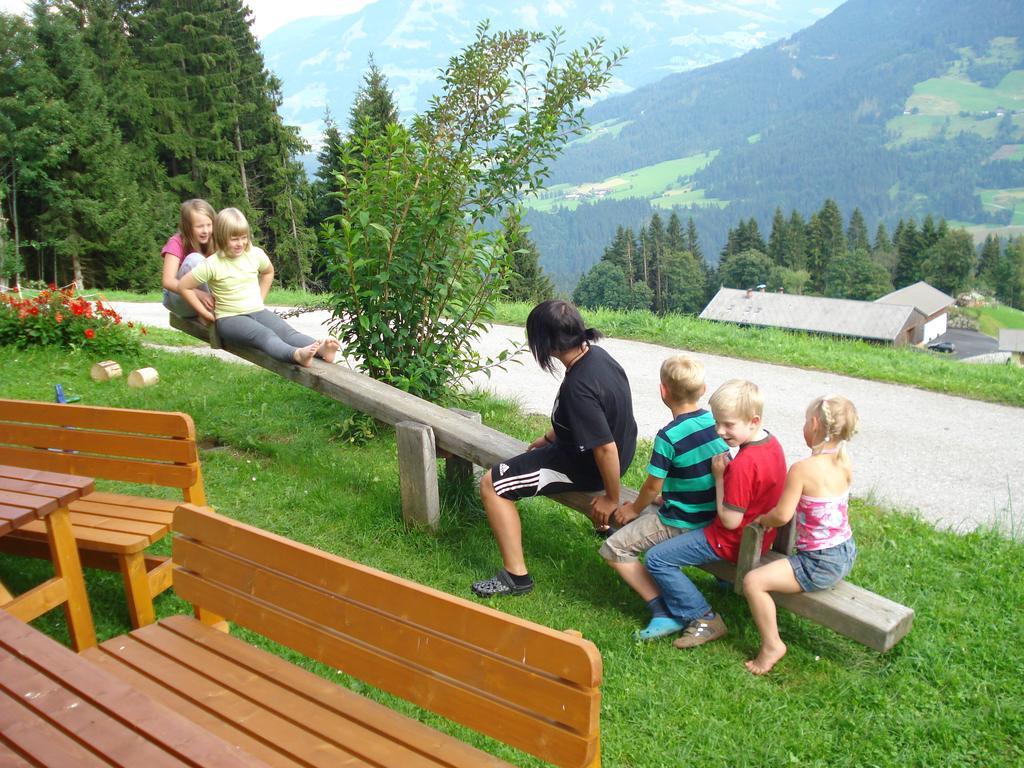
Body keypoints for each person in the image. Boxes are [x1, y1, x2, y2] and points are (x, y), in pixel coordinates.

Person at [471, 299, 637, 598]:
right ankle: (603, 529)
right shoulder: (597, 356)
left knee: (492, 485)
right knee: (514, 468)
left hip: (588, 468)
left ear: (546, 344)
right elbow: (595, 417)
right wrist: (551, 437)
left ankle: (515, 577)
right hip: (617, 455)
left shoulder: (578, 386)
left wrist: (611, 497)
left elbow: (604, 449)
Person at [643, 379, 786, 649]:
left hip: (732, 541)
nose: (720, 431)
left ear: (753, 421)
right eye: (717, 422)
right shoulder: (771, 443)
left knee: (657, 559)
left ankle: (704, 618)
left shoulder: (744, 464)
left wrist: (720, 477)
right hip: (762, 536)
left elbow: (730, 521)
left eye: (728, 425)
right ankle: (722, 584)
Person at [595, 355, 729, 640]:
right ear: (703, 389)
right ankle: (724, 581)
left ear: (663, 391)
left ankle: (663, 611)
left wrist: (634, 508)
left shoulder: (668, 437)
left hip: (682, 520)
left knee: (615, 548)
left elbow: (652, 487)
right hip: (712, 513)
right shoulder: (715, 424)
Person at [741, 395, 859, 675]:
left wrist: (763, 519)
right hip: (845, 552)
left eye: (806, 421)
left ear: (815, 424)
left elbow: (782, 515)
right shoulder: (843, 462)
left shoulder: (802, 470)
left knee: (753, 582)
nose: (804, 425)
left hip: (819, 562)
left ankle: (772, 645)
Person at [178, 207, 339, 367]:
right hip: (230, 318)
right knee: (265, 335)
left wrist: (259, 298)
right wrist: (204, 313)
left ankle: (322, 350)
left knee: (288, 333)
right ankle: (296, 355)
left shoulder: (255, 254)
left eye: (244, 237)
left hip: (257, 310)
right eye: (234, 239)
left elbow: (268, 272)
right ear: (221, 236)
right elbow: (184, 286)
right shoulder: (212, 264)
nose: (240, 243)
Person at [162, 199, 217, 317]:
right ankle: (210, 314)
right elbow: (168, 281)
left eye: (209, 225)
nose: (206, 231)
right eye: (200, 226)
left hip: (208, 300)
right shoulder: (176, 242)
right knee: (195, 260)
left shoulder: (216, 241)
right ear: (187, 227)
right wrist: (199, 294)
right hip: (180, 300)